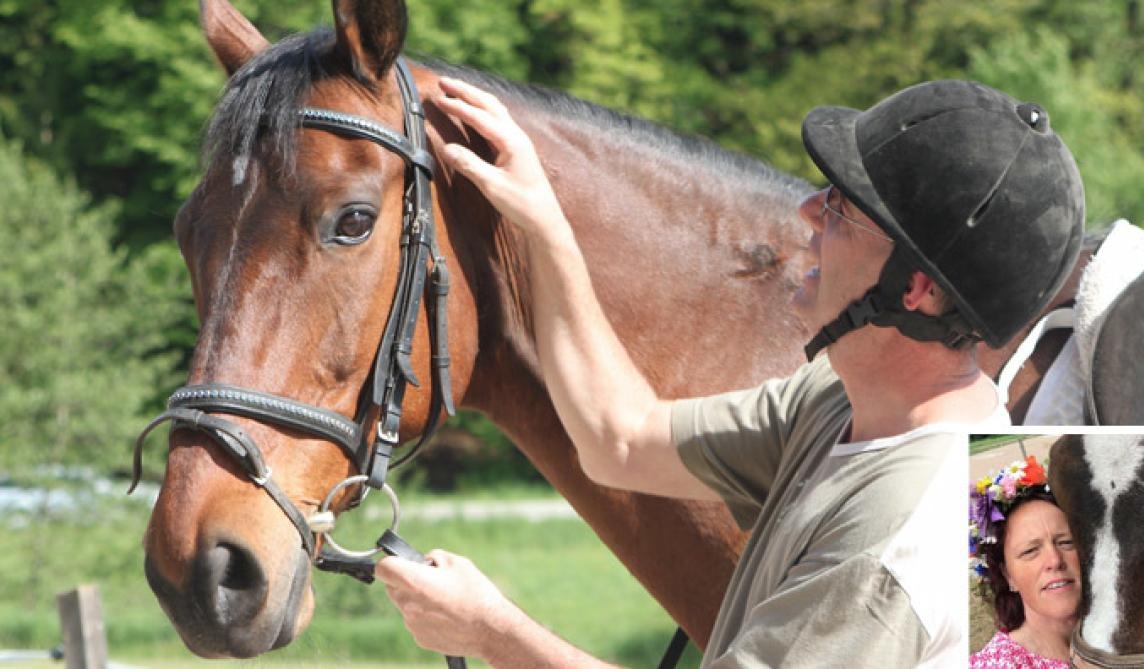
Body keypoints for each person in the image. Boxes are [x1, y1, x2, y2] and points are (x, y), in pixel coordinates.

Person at [375, 77, 1086, 667]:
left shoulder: (897, 538)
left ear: (916, 290)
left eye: (843, 208)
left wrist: (492, 630)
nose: (809, 209)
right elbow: (620, 437)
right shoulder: (843, 401)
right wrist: (545, 228)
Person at [969, 455, 1080, 668]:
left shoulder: (1131, 641)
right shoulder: (997, 664)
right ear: (1007, 575)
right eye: (1030, 551)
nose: (1055, 560)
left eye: (1066, 542)